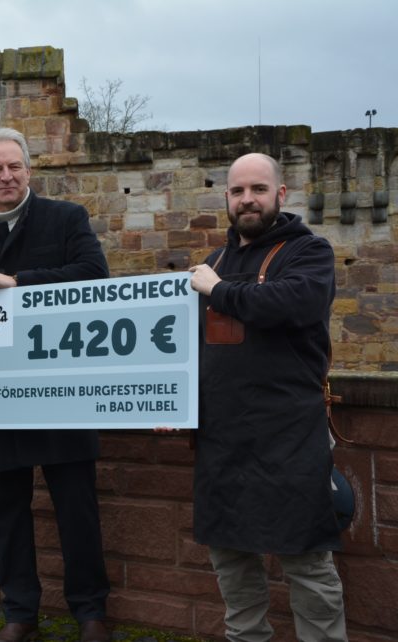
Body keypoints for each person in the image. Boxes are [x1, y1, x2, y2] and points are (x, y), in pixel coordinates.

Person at [0, 127, 111, 642]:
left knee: (77, 510)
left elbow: (94, 275)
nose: (6, 176)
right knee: (8, 513)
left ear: (29, 170)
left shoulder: (66, 219)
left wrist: (21, 283)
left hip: (62, 391)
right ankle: (20, 613)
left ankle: (90, 613)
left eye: (14, 166)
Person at [187, 152, 346, 640]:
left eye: (258, 189)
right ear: (227, 198)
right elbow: (187, 350)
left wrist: (218, 291)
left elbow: (289, 303)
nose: (247, 200)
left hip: (290, 439)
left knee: (310, 570)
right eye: (238, 191)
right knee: (233, 570)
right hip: (222, 442)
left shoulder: (309, 252)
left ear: (280, 194)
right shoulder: (214, 263)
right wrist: (173, 402)